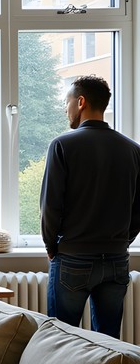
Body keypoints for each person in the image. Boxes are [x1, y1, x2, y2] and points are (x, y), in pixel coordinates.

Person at [40, 75, 140, 337]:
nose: (66, 109)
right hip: (116, 259)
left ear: (81, 102)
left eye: (67, 102)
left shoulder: (62, 145)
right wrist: (122, 241)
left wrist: (51, 245)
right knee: (107, 344)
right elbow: (138, 209)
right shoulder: (133, 150)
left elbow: (51, 206)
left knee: (60, 339)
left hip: (72, 258)